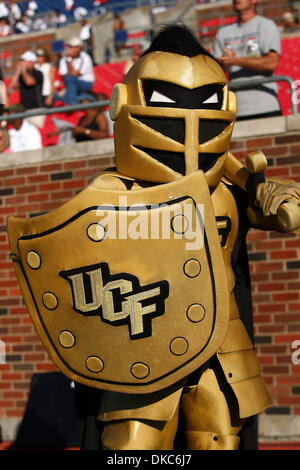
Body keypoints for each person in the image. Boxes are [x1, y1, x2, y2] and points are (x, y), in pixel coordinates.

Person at [7, 25, 300, 451]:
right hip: (141, 343)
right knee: (131, 447)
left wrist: (273, 191)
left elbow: (288, 211)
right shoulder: (109, 194)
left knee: (220, 439)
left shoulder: (234, 191)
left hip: (223, 347)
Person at [212, 0, 282, 120]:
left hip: (266, 106)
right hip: (235, 110)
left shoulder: (265, 25)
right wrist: (222, 62)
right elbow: (213, 71)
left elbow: (271, 63)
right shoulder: (222, 33)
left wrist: (235, 61)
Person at [58, 37, 95, 105]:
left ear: (79, 48)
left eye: (73, 46)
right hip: (70, 84)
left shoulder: (85, 57)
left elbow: (75, 74)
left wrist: (69, 60)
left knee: (69, 79)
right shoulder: (63, 59)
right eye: (70, 46)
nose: (71, 48)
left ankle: (73, 104)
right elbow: (62, 75)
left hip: (85, 83)